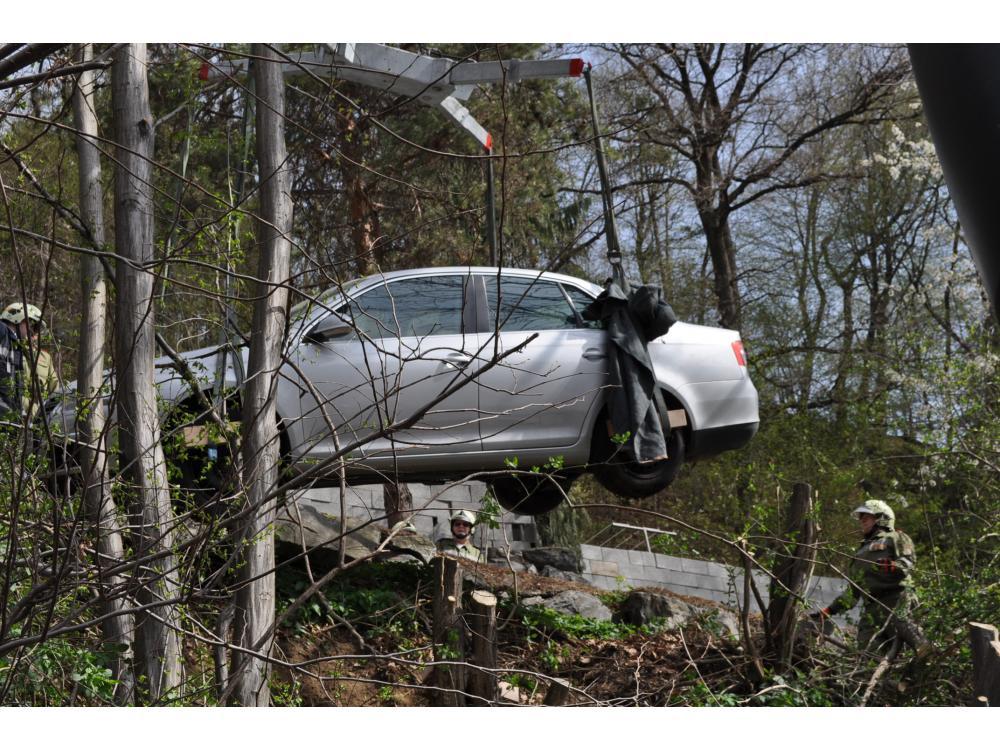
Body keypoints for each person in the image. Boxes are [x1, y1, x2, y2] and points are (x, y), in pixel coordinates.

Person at [814, 499, 931, 659]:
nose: (862, 521)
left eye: (866, 518)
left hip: (897, 600)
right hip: (871, 609)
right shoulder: (860, 551)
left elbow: (908, 562)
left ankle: (928, 657)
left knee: (911, 647)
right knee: (866, 653)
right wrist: (829, 611)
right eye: (861, 519)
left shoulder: (896, 537)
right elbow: (854, 592)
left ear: (882, 518)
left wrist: (893, 566)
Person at [4, 303, 57, 419]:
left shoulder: (45, 357)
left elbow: (55, 390)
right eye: (31, 326)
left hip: (38, 418)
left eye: (36, 328)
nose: (33, 332)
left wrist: (46, 417)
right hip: (13, 413)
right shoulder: (9, 348)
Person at [0, 303, 29, 420]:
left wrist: (19, 410)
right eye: (27, 324)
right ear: (18, 321)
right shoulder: (2, 331)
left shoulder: (14, 343)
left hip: (8, 410)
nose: (29, 330)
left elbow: (16, 382)